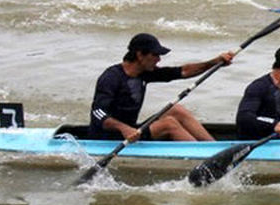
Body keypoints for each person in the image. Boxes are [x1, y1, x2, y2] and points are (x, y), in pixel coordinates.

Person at [89, 33, 234, 142]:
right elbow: (98, 113)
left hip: (134, 131)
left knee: (176, 110)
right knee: (169, 124)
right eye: (155, 55)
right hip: (110, 138)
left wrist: (215, 62)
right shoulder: (111, 78)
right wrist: (124, 128)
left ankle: (213, 149)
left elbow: (183, 71)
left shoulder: (144, 73)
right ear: (140, 55)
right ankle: (203, 158)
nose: (159, 59)